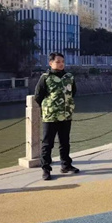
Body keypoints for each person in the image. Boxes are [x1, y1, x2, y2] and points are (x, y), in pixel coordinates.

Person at [34, 52, 79, 181]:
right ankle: (46, 169)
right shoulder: (45, 77)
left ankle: (66, 165)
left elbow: (73, 92)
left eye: (62, 62)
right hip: (51, 116)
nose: (60, 64)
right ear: (51, 63)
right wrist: (49, 107)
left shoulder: (69, 77)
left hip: (66, 115)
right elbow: (38, 96)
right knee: (47, 143)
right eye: (58, 61)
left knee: (65, 142)